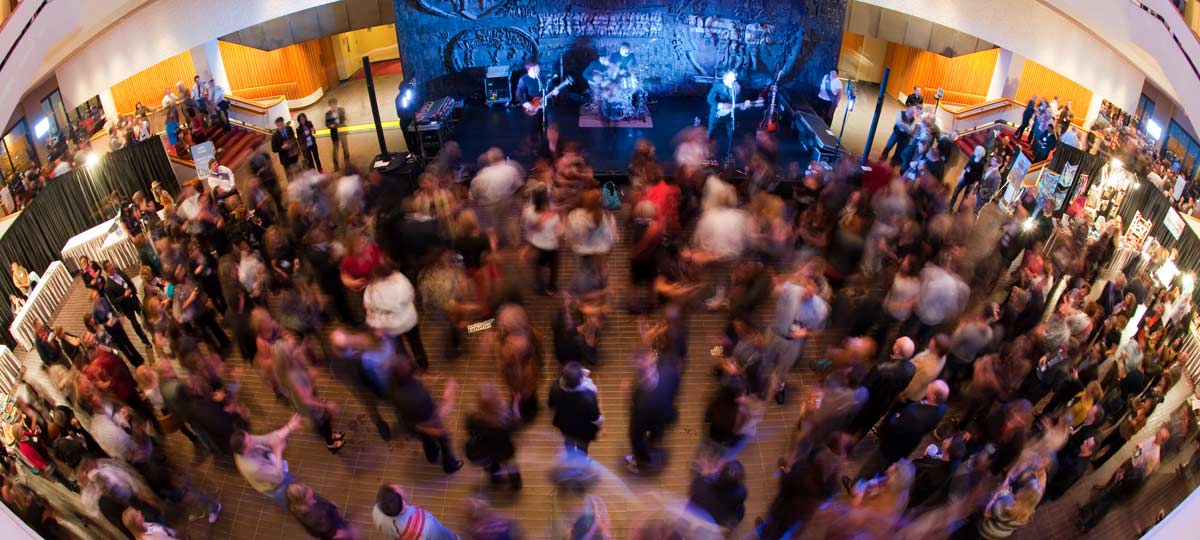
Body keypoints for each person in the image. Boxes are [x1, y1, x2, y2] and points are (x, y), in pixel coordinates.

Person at [855, 380, 949, 482]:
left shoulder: (914, 415)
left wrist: (896, 417)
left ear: (933, 397)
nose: (929, 384)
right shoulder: (942, 408)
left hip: (892, 445)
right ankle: (877, 480)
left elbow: (893, 427)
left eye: (932, 386)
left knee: (873, 464)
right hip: (909, 446)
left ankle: (855, 485)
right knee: (888, 465)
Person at [766, 273, 829, 404]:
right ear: (804, 283)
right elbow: (775, 291)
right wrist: (778, 285)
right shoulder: (791, 289)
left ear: (818, 292)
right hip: (775, 332)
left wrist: (806, 333)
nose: (808, 291)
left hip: (793, 343)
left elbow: (817, 330)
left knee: (784, 367)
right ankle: (759, 379)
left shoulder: (820, 309)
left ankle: (779, 386)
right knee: (764, 357)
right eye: (807, 285)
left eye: (813, 289)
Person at [232, 413, 304, 505]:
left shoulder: (244, 442)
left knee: (292, 483)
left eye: (249, 436)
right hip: (273, 485)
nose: (252, 439)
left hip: (269, 469)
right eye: (249, 441)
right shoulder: (253, 467)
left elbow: (267, 439)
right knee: (289, 499)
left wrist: (290, 427)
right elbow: (278, 477)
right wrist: (278, 451)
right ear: (244, 451)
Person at [548, 361, 603, 456]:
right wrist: (601, 424)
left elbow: (551, 405)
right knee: (582, 448)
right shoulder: (588, 396)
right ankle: (581, 462)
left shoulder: (555, 388)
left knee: (568, 443)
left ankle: (571, 459)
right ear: (580, 380)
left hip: (565, 427)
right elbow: (596, 418)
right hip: (583, 431)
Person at [373, 484, 459, 540]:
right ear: (403, 503)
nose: (398, 487)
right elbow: (441, 535)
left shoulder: (377, 511)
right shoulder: (426, 525)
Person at [89, 289, 145, 366]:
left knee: (127, 341)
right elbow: (99, 323)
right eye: (95, 296)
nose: (98, 297)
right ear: (93, 300)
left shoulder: (103, 300)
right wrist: (106, 324)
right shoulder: (95, 312)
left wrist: (118, 317)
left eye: (97, 294)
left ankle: (138, 356)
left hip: (116, 323)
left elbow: (111, 309)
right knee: (122, 346)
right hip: (111, 330)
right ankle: (134, 362)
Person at [285, 482, 356, 540]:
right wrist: (338, 533)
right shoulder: (314, 517)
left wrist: (330, 505)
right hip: (333, 529)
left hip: (330, 521)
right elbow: (327, 530)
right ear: (302, 500)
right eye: (307, 490)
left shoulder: (295, 505)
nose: (310, 488)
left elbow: (318, 498)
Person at [706, 70, 748, 145]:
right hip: (717, 113)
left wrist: (743, 106)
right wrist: (719, 105)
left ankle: (730, 152)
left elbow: (737, 102)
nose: (734, 79)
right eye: (731, 77)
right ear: (725, 77)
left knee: (732, 134)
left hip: (730, 115)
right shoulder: (718, 86)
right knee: (710, 131)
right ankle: (707, 145)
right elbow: (710, 98)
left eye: (734, 78)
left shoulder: (737, 87)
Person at [950, 145, 986, 211]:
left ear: (980, 153)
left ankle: (959, 211)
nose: (974, 150)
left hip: (971, 182)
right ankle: (950, 206)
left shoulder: (981, 164)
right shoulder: (972, 156)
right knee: (956, 191)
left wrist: (974, 185)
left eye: (976, 150)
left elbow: (979, 177)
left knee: (965, 197)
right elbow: (966, 166)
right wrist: (961, 175)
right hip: (964, 178)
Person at [324, 98, 350, 170]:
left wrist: (346, 117)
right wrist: (330, 126)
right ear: (330, 106)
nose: (334, 106)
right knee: (335, 149)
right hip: (334, 133)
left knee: (345, 147)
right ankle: (336, 165)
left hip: (342, 131)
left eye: (335, 104)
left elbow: (345, 118)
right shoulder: (328, 114)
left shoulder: (341, 110)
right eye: (332, 105)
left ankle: (347, 162)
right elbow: (327, 123)